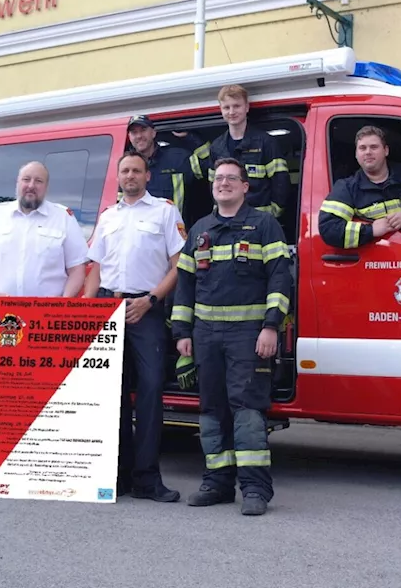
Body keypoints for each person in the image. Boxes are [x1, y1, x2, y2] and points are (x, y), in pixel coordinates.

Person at [171, 157, 293, 516]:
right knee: (211, 411)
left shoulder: (264, 225)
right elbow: (185, 285)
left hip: (248, 335)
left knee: (248, 411)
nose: (223, 183)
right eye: (218, 178)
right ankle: (216, 482)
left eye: (231, 179)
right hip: (206, 336)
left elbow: (279, 278)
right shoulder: (199, 229)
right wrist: (182, 333)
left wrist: (271, 325)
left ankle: (255, 489)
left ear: (245, 186)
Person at [83, 151, 186, 503]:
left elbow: (178, 266)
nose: (130, 176)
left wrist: (151, 300)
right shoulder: (108, 216)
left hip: (146, 311)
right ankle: (118, 474)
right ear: (118, 176)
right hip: (108, 308)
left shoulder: (164, 211)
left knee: (151, 393)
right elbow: (95, 268)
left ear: (146, 176)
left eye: (136, 170)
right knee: (112, 396)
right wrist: (85, 309)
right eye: (124, 170)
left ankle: (147, 478)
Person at [0, 160, 89, 310]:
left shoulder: (63, 217)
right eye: (26, 179)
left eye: (38, 181)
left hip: (47, 314)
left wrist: (64, 302)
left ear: (46, 187)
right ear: (17, 183)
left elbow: (77, 268)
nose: (31, 185)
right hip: (4, 314)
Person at [318, 124, 401, 249]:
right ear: (356, 154)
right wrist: (371, 230)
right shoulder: (347, 188)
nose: (368, 152)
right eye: (362, 148)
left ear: (386, 150)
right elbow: (329, 229)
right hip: (373, 261)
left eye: (374, 147)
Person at [191, 84, 290, 222]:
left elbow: (281, 182)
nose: (231, 112)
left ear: (247, 107)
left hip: (259, 221)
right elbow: (214, 186)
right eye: (226, 107)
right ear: (221, 110)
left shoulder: (265, 142)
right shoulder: (216, 147)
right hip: (227, 222)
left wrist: (273, 214)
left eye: (236, 106)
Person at [125, 115, 203, 220]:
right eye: (134, 132)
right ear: (129, 136)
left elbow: (209, 168)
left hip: (175, 230)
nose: (139, 136)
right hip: (141, 233)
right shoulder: (125, 167)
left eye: (143, 130)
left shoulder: (178, 158)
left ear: (153, 133)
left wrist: (191, 138)